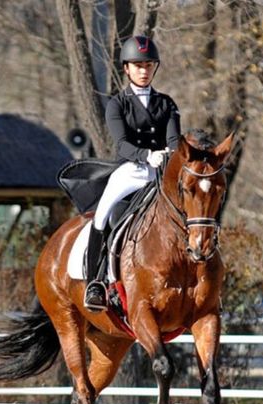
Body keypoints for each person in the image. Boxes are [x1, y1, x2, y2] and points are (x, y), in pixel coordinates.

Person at [84, 35, 181, 312]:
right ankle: (96, 283)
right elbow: (122, 144)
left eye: (149, 65)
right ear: (127, 68)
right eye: (138, 66)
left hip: (160, 173)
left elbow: (175, 141)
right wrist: (147, 155)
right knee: (103, 214)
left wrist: (169, 155)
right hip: (131, 171)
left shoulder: (167, 104)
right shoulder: (117, 104)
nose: (144, 71)